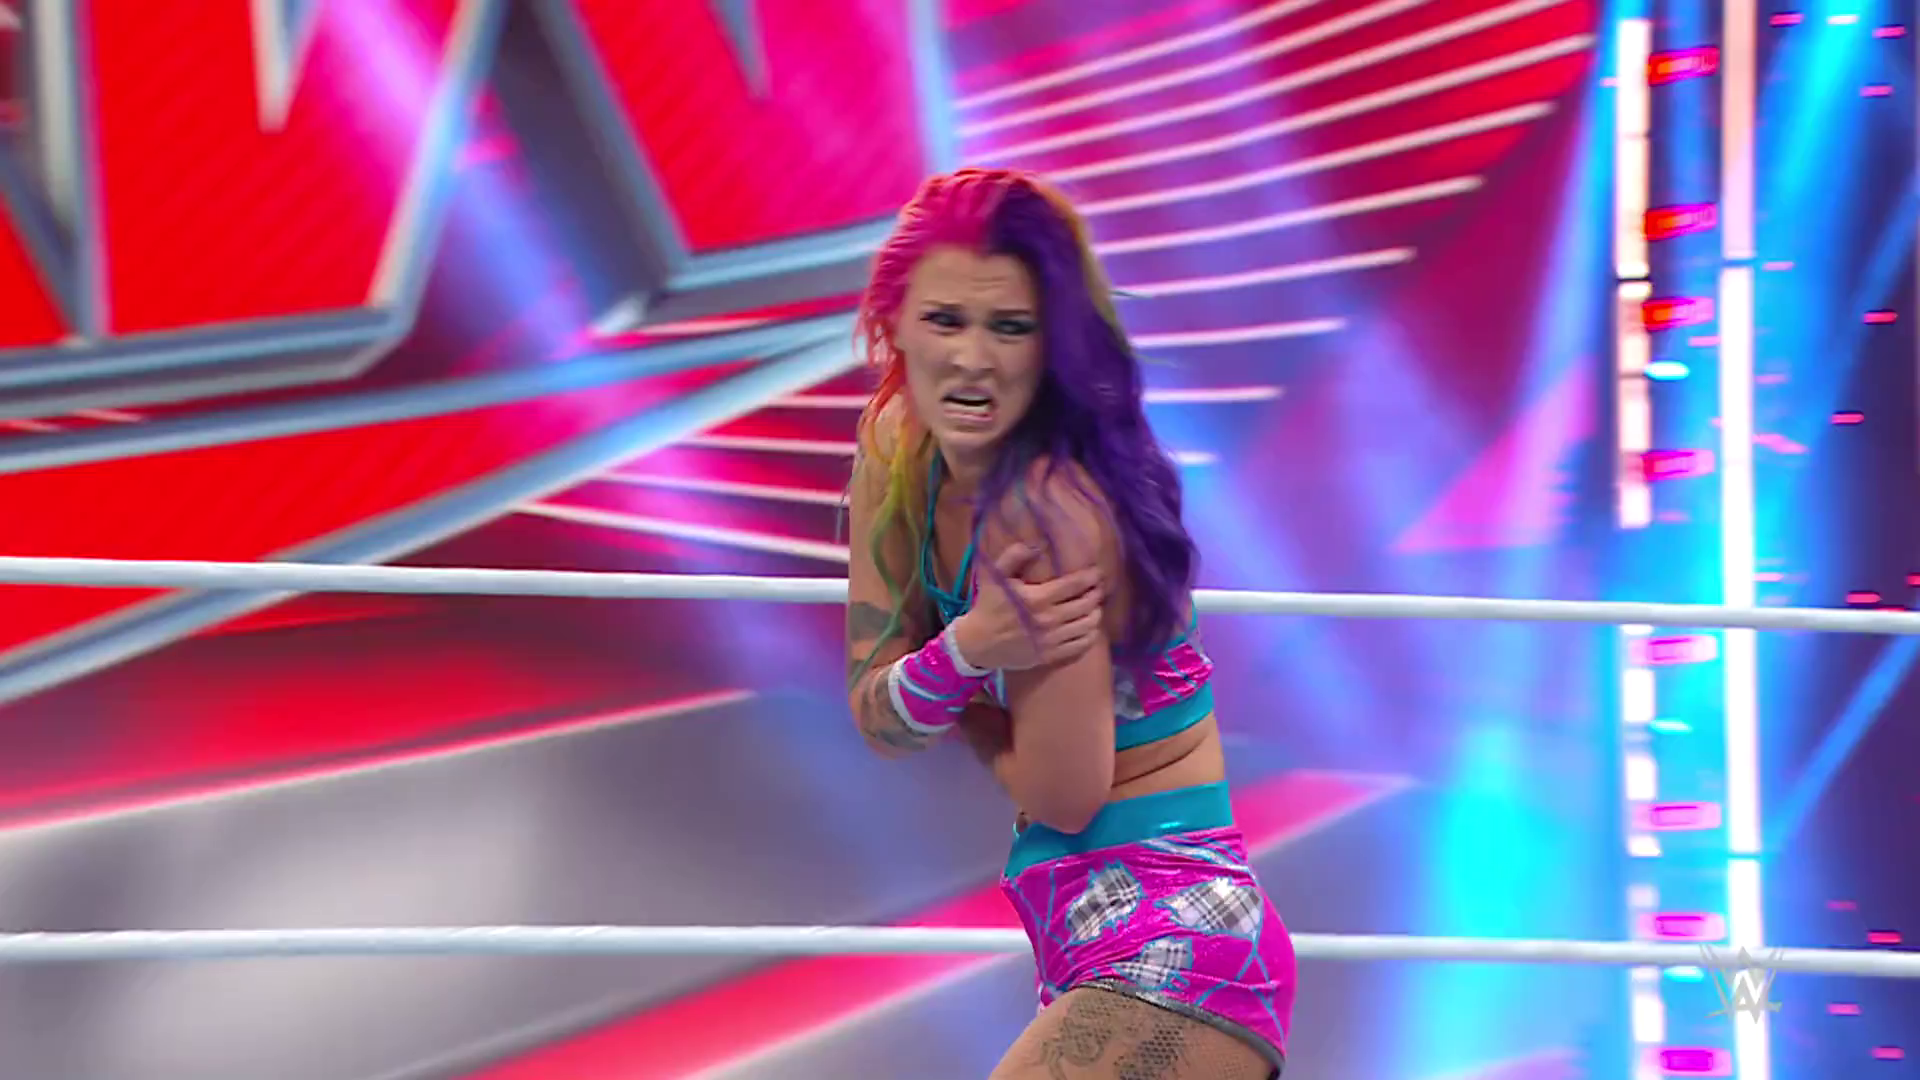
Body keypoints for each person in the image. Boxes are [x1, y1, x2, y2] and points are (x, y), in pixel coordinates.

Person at [843, 166, 1296, 1080]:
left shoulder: (1045, 511)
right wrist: (969, 651)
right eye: (945, 321)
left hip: (1176, 943)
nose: (973, 359)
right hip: (1089, 944)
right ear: (894, 323)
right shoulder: (895, 449)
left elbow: (1064, 795)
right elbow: (876, 714)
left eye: (1009, 327)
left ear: (1050, 344)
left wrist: (951, 681)